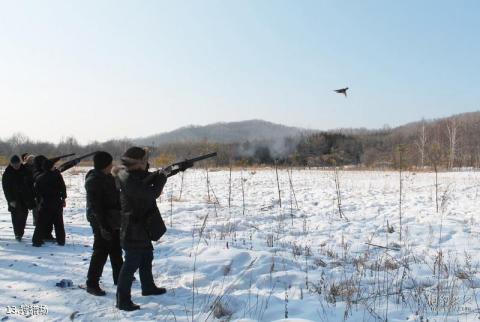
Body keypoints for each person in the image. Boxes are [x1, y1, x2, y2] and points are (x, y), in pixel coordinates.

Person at [115, 147, 191, 311]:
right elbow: (151, 192)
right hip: (133, 228)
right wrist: (162, 176)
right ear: (138, 163)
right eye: (145, 160)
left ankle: (148, 287)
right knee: (130, 265)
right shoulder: (127, 178)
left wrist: (176, 169)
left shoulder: (132, 174)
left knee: (146, 257)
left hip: (141, 227)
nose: (147, 163)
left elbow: (153, 177)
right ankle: (122, 299)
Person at [85, 151, 123, 296]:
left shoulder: (107, 177)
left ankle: (120, 277)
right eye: (110, 163)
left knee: (116, 249)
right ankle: (92, 283)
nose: (112, 165)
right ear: (106, 165)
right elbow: (96, 207)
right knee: (100, 252)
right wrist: (103, 226)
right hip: (100, 221)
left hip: (112, 219)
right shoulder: (94, 180)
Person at [31, 159, 67, 247]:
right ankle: (61, 240)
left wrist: (39, 201)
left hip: (45, 203)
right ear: (51, 167)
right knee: (59, 223)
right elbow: (63, 187)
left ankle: (36, 240)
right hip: (57, 202)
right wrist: (63, 198)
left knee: (41, 223)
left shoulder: (39, 177)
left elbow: (36, 192)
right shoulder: (57, 175)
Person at [1, 155, 35, 241]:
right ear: (11, 164)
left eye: (18, 164)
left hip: (25, 198)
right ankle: (17, 234)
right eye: (14, 164)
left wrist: (33, 197)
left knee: (24, 215)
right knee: (15, 216)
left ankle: (20, 232)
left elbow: (31, 185)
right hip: (14, 198)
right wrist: (10, 200)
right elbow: (6, 189)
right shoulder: (7, 173)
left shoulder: (26, 171)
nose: (16, 166)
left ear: (20, 163)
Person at [32, 155, 55, 239]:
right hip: (40, 199)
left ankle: (47, 234)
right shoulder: (37, 172)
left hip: (47, 199)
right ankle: (41, 236)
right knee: (41, 219)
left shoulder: (39, 171)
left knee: (49, 219)